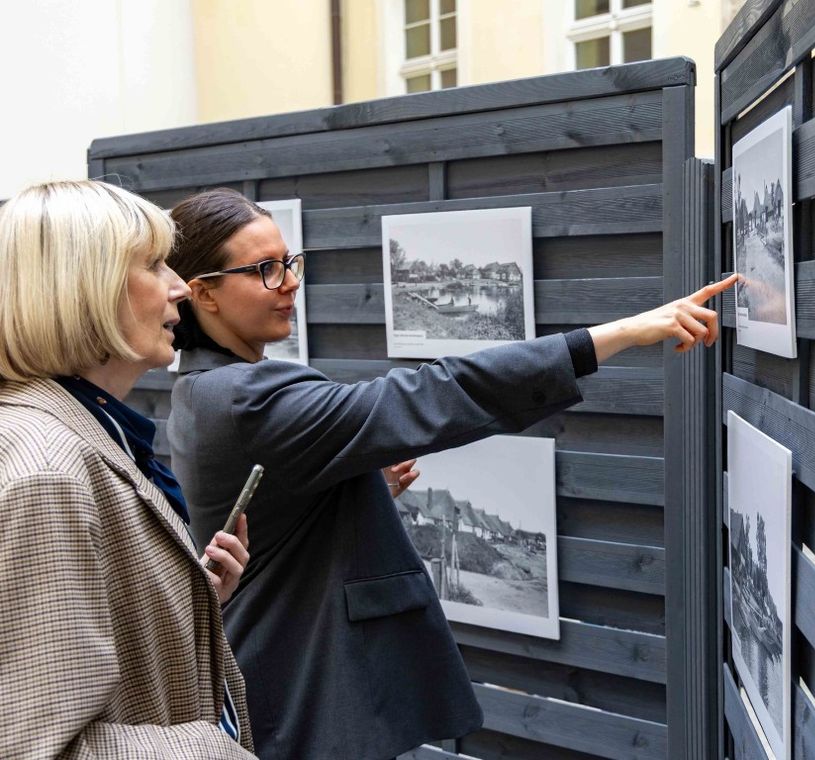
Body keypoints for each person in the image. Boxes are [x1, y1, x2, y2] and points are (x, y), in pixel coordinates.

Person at [165, 187, 737, 760]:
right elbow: (428, 393)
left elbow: (273, 521)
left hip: (284, 676)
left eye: (289, 262)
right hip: (302, 693)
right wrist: (618, 335)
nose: (289, 281)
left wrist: (355, 490)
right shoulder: (243, 399)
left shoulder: (203, 390)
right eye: (264, 269)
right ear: (204, 293)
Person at [0, 180, 256, 759]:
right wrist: (215, 750)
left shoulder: (86, 428)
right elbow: (38, 748)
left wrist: (184, 596)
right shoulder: (49, 471)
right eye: (153, 264)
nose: (178, 289)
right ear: (80, 287)